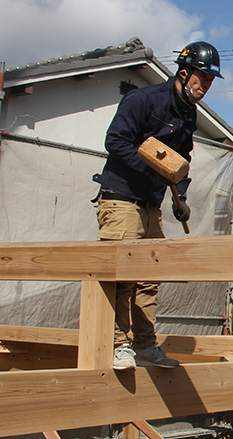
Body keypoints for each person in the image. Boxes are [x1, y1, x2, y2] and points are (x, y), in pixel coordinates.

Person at [92, 40, 223, 370]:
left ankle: (145, 346)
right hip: (121, 199)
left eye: (209, 82)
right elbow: (115, 142)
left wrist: (180, 192)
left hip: (151, 204)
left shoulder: (188, 114)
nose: (205, 87)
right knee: (121, 275)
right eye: (202, 79)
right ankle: (117, 345)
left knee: (149, 277)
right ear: (183, 73)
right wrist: (153, 169)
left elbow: (182, 160)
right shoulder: (142, 100)